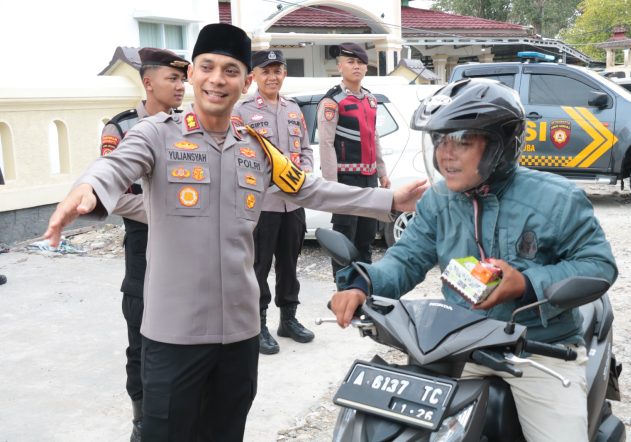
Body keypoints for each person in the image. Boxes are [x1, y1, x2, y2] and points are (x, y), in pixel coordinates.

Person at [43, 23, 427, 441]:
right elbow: (114, 167)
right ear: (192, 74)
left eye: (230, 70)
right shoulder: (155, 135)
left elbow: (309, 187)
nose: (217, 79)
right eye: (207, 67)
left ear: (245, 82)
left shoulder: (257, 148)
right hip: (174, 335)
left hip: (240, 335)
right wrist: (86, 188)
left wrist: (389, 201)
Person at [330, 78, 618, 442]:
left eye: (462, 141)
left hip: (538, 353)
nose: (445, 154)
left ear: (501, 146)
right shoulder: (438, 201)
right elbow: (405, 259)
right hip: (458, 347)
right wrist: (362, 284)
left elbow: (599, 265)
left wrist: (527, 284)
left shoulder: (557, 199)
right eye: (440, 140)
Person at [100, 47, 189, 442]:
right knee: (141, 340)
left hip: (189, 245)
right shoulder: (120, 129)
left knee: (187, 335)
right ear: (148, 82)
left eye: (183, 79)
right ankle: (142, 421)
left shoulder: (191, 127)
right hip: (145, 244)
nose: (181, 86)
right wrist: (163, 212)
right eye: (173, 79)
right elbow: (114, 195)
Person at [232, 49, 314, 355]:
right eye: (266, 71)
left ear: (284, 75)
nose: (272, 77)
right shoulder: (241, 112)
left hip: (293, 202)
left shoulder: (293, 109)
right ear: (254, 77)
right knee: (259, 266)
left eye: (278, 71)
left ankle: (288, 319)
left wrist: (305, 170)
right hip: (261, 205)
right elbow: (236, 155)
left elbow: (305, 149)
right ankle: (259, 324)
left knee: (290, 264)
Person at [316, 42, 391, 279]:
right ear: (340, 66)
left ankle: (364, 292)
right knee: (343, 241)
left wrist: (382, 172)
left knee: (367, 238)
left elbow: (374, 136)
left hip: (370, 180)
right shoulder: (332, 102)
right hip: (345, 180)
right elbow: (326, 144)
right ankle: (344, 292)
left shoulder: (370, 100)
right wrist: (331, 185)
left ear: (366, 68)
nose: (356, 66)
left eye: (360, 62)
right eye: (350, 62)